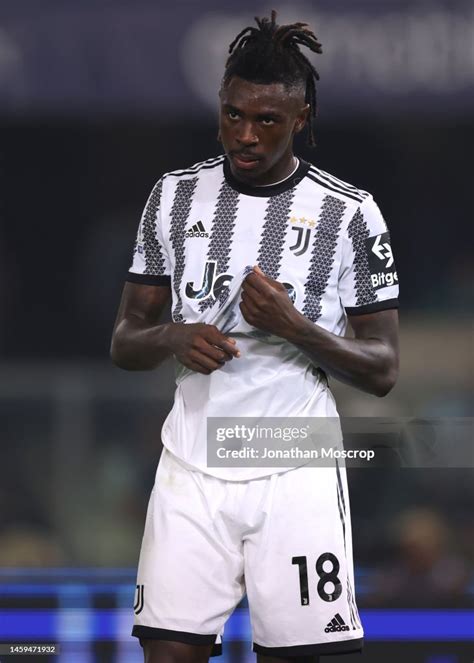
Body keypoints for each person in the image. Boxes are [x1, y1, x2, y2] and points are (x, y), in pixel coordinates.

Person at [110, 10, 399, 663]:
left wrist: (294, 327)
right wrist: (173, 338)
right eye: (233, 114)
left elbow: (383, 368)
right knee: (168, 654)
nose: (245, 133)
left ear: (301, 119)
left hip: (294, 468)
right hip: (191, 466)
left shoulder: (349, 212)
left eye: (266, 120)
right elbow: (127, 339)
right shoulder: (174, 197)